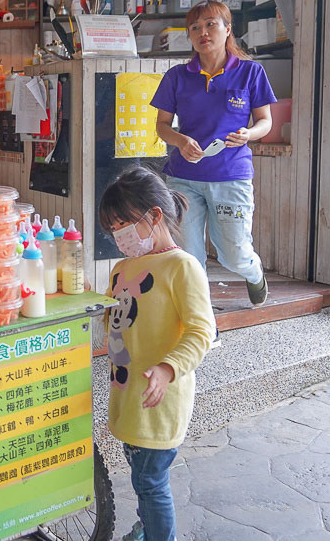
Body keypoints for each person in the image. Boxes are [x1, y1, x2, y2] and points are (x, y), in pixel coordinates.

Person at [99, 166, 216, 541]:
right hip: (128, 394)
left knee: (150, 481)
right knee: (140, 473)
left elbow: (202, 330)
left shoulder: (182, 267)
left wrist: (168, 368)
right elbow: (115, 324)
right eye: (113, 228)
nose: (120, 236)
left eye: (124, 224)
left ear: (154, 216)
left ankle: (156, 533)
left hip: (159, 398)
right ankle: (147, 525)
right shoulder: (121, 269)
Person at [150, 0, 276, 306]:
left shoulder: (250, 73)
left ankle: (254, 272)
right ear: (190, 35)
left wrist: (249, 134)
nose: (202, 32)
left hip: (231, 176)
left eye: (210, 24)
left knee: (233, 253)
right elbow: (162, 127)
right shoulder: (177, 76)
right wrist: (180, 141)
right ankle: (200, 310)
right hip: (183, 178)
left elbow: (265, 122)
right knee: (187, 254)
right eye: (195, 27)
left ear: (227, 29)